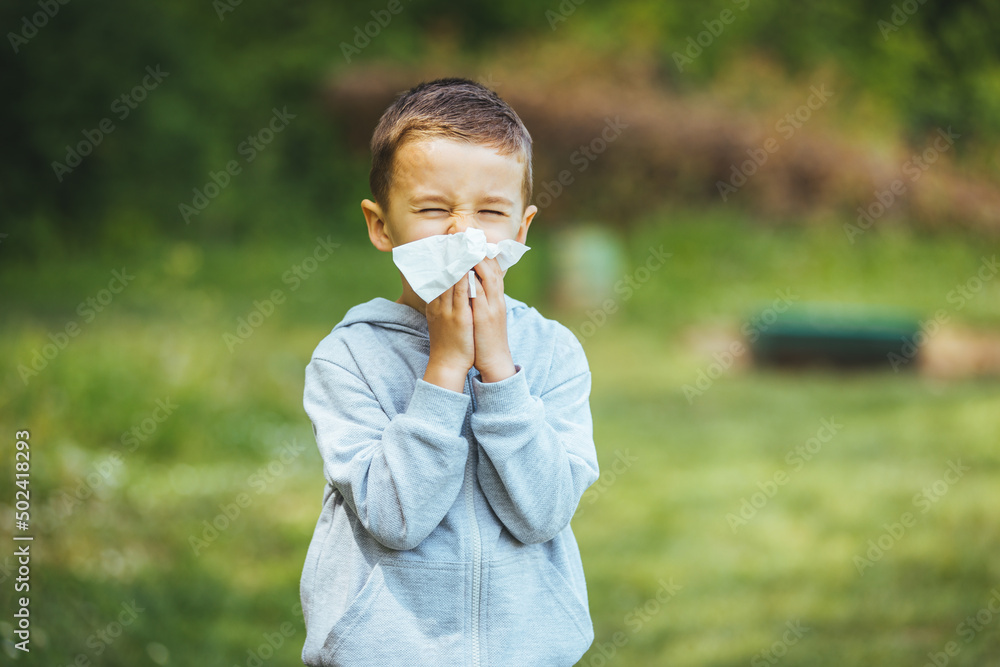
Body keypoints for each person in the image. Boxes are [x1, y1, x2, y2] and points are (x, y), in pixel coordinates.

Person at [299, 77, 600, 666]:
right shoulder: (348, 359)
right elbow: (395, 518)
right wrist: (445, 367)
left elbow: (544, 512)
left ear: (521, 229)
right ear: (381, 226)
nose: (464, 233)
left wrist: (499, 373)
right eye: (434, 209)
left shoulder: (554, 353)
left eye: (490, 212)